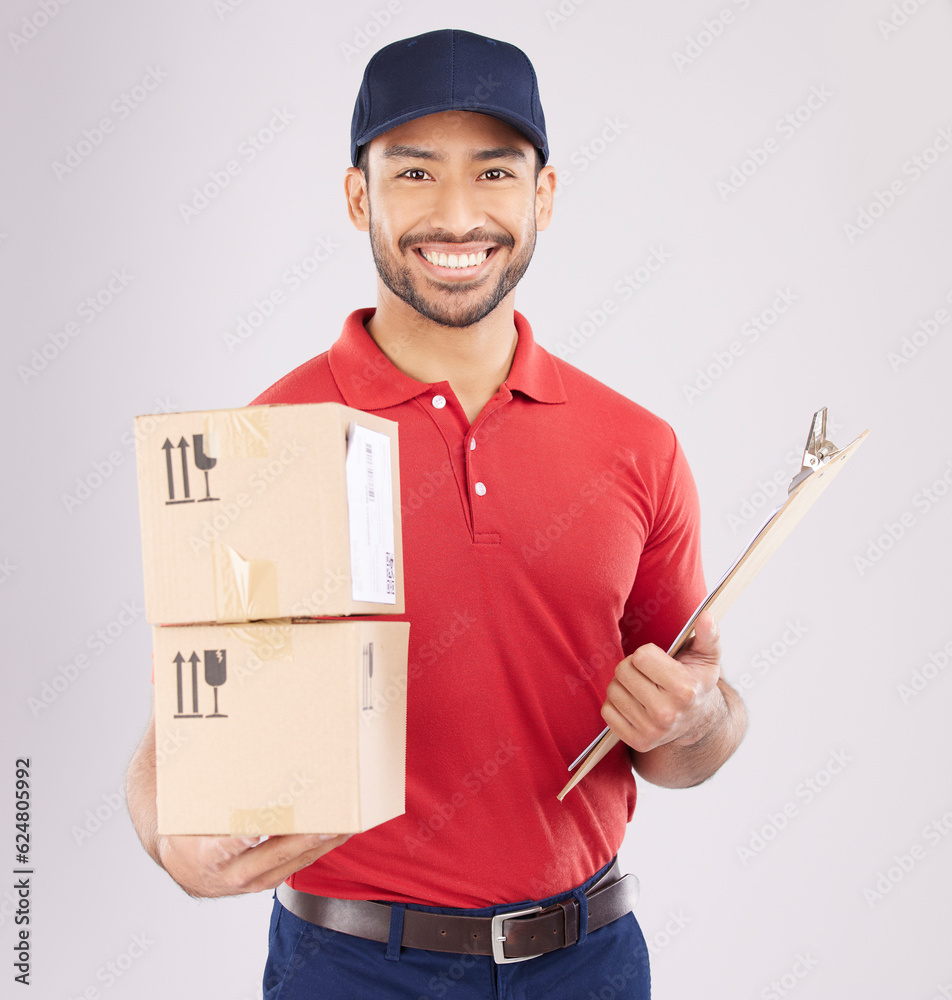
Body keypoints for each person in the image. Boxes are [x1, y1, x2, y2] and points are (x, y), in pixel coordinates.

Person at [126, 28, 747, 999]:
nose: (456, 213)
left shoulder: (638, 445)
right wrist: (169, 832)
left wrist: (698, 715)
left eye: (493, 172)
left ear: (541, 194)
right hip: (351, 967)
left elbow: (689, 739)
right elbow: (195, 706)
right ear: (356, 194)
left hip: (587, 962)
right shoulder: (271, 436)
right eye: (413, 173)